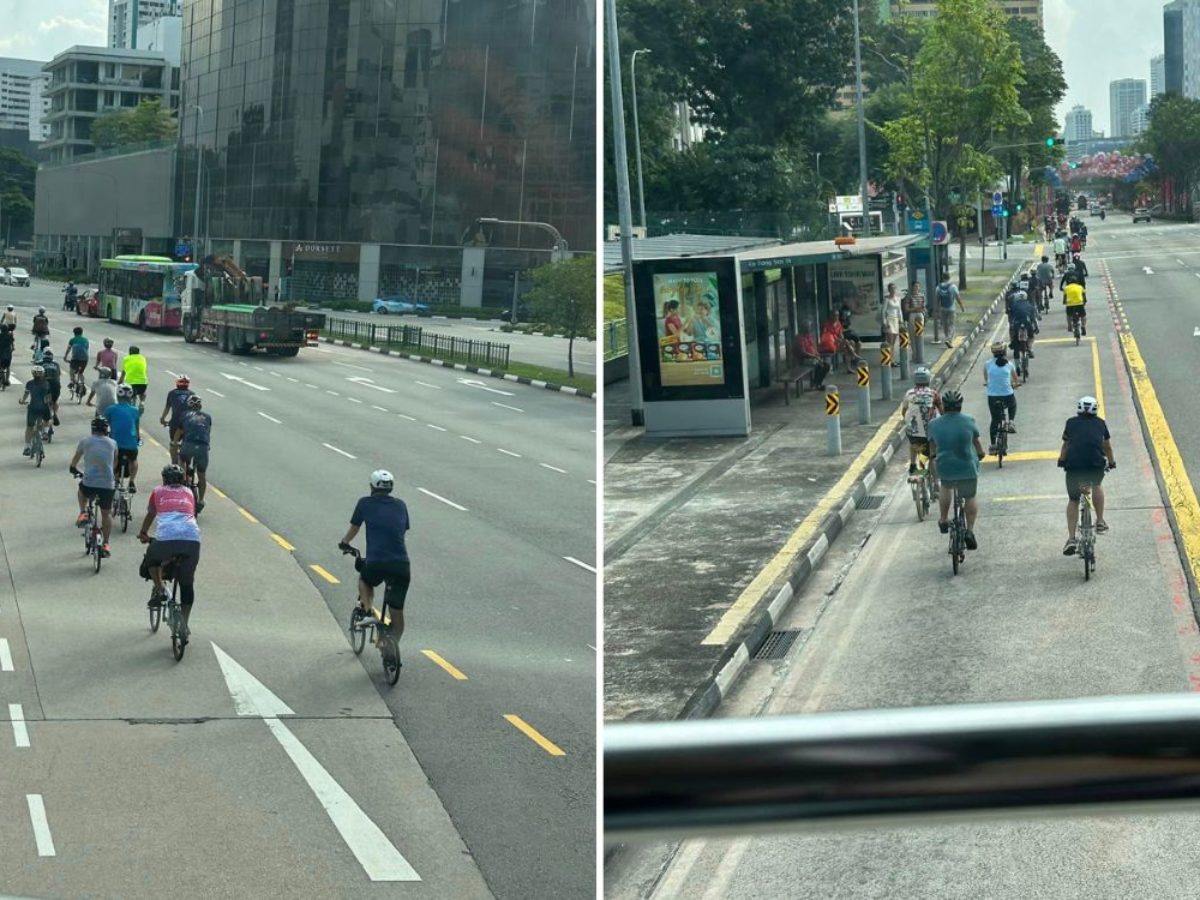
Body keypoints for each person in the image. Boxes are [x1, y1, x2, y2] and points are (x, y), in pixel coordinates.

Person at [338, 470, 411, 650]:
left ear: (372, 486)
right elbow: (402, 529)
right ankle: (390, 649)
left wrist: (345, 543)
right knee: (397, 613)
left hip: (377, 561)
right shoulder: (401, 505)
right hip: (401, 565)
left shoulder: (365, 503)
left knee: (365, 580)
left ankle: (369, 611)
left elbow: (355, 527)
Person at [138, 464, 202, 645]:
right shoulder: (189, 493)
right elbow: (192, 514)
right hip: (192, 539)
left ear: (164, 479)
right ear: (182, 480)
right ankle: (184, 624)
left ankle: (159, 589)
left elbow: (151, 515)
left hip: (166, 538)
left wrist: (143, 533)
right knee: (187, 584)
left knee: (151, 560)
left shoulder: (158, 491)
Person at [927, 389, 986, 549]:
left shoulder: (933, 424)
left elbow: (932, 450)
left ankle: (944, 519)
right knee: (970, 496)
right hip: (967, 466)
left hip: (945, 466)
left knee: (946, 486)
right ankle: (969, 531)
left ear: (944, 406)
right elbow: (977, 445)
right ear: (960, 405)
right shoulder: (969, 420)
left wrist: (934, 459)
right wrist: (980, 454)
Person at [1058, 396, 1116, 556]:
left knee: (1073, 500)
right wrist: (1111, 462)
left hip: (1074, 467)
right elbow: (1107, 446)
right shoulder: (1100, 423)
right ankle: (1100, 521)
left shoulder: (1070, 423)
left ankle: (1071, 538)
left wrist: (1061, 460)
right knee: (1097, 485)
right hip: (1095, 465)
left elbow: (1066, 444)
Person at [69, 415, 118, 558]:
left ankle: (83, 512)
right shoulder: (113, 443)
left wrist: (73, 468)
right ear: (106, 429)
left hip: (90, 482)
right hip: (108, 484)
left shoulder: (85, 441)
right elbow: (114, 463)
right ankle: (106, 543)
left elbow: (75, 461)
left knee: (81, 491)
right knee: (106, 514)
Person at [901, 366, 943, 475]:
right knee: (933, 449)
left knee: (913, 444)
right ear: (928, 379)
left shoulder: (909, 393)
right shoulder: (933, 393)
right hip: (930, 430)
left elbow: (904, 410)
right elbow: (942, 412)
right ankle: (932, 467)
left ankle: (913, 465)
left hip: (914, 431)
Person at [983, 341, 1020, 453]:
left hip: (992, 397)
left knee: (995, 420)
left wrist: (988, 384)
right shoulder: (1009, 364)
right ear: (1004, 351)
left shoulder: (987, 364)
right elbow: (1016, 380)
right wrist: (1015, 385)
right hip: (1007, 395)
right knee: (1013, 405)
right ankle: (1011, 422)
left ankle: (993, 445)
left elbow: (986, 380)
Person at [106, 384, 142, 493]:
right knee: (134, 459)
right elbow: (136, 429)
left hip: (115, 443)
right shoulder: (135, 410)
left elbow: (104, 424)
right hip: (130, 443)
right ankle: (131, 481)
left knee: (113, 459)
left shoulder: (111, 409)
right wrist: (138, 439)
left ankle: (115, 480)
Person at [179, 394, 212, 512]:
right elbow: (207, 432)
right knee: (201, 475)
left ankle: (183, 478)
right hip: (203, 447)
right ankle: (201, 500)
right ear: (200, 406)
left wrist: (174, 442)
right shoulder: (207, 417)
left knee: (181, 458)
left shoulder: (184, 415)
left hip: (188, 445)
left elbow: (179, 431)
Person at [19, 365, 53, 455]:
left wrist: (22, 401)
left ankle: (27, 447)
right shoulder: (47, 383)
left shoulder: (29, 383)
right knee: (48, 420)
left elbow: (26, 394)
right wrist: (50, 406)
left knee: (29, 427)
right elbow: (49, 398)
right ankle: (45, 432)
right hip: (44, 407)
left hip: (33, 407)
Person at [160, 375, 194, 465]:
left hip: (175, 423)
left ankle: (174, 463)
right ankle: (188, 463)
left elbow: (167, 408)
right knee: (188, 443)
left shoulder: (172, 393)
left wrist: (162, 419)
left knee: (173, 443)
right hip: (189, 424)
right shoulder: (192, 394)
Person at [792, 321, 830, 390]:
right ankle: (816, 384)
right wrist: (814, 356)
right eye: (808, 327)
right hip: (804, 359)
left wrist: (816, 354)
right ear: (803, 328)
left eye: (809, 327)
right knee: (820, 365)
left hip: (812, 358)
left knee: (826, 366)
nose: (809, 329)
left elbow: (813, 347)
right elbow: (802, 352)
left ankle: (817, 383)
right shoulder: (799, 338)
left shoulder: (808, 336)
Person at [935, 274, 964, 347]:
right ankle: (949, 339)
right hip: (951, 309)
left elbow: (937, 300)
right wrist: (962, 306)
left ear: (943, 277)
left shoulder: (938, 287)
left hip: (942, 309)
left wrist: (937, 311)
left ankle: (946, 337)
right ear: (949, 278)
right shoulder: (953, 287)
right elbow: (957, 297)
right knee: (952, 325)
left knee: (945, 325)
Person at [1008, 290, 1038, 359]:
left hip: (1017, 325)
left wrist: (1012, 326)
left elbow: (1011, 317)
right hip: (1027, 324)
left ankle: (1013, 342)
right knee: (1031, 336)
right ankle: (1030, 348)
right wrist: (1036, 327)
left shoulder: (1013, 306)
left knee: (1013, 334)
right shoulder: (1030, 306)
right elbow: (1033, 318)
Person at [119, 344, 148, 410]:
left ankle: (133, 406)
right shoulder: (142, 358)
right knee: (143, 393)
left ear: (130, 352)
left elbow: (124, 372)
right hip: (143, 382)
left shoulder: (126, 358)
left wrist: (120, 382)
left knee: (132, 396)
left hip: (130, 382)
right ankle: (142, 402)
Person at [39, 348, 62, 428]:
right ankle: (55, 413)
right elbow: (58, 376)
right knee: (55, 401)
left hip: (44, 385)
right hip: (55, 385)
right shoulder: (56, 364)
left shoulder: (39, 363)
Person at [881, 283, 902, 365]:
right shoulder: (886, 299)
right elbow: (883, 311)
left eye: (894, 288)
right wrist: (884, 322)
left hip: (895, 320)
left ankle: (892, 358)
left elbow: (899, 310)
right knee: (889, 341)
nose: (893, 290)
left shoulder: (898, 299)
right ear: (889, 290)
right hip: (889, 320)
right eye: (891, 288)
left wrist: (901, 320)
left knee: (894, 342)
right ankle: (890, 360)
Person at [64, 326, 90, 391]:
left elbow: (68, 349)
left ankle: (73, 382)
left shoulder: (72, 340)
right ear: (82, 333)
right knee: (80, 373)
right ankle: (82, 384)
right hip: (85, 359)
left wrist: (65, 357)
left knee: (72, 371)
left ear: (74, 333)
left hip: (75, 358)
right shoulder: (86, 340)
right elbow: (86, 349)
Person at [0, 323, 13, 388]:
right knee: (8, 367)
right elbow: (12, 344)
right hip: (8, 353)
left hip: (1, 353)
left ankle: (3, 380)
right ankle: (7, 380)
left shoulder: (0, 335)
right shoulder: (10, 335)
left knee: (1, 368)